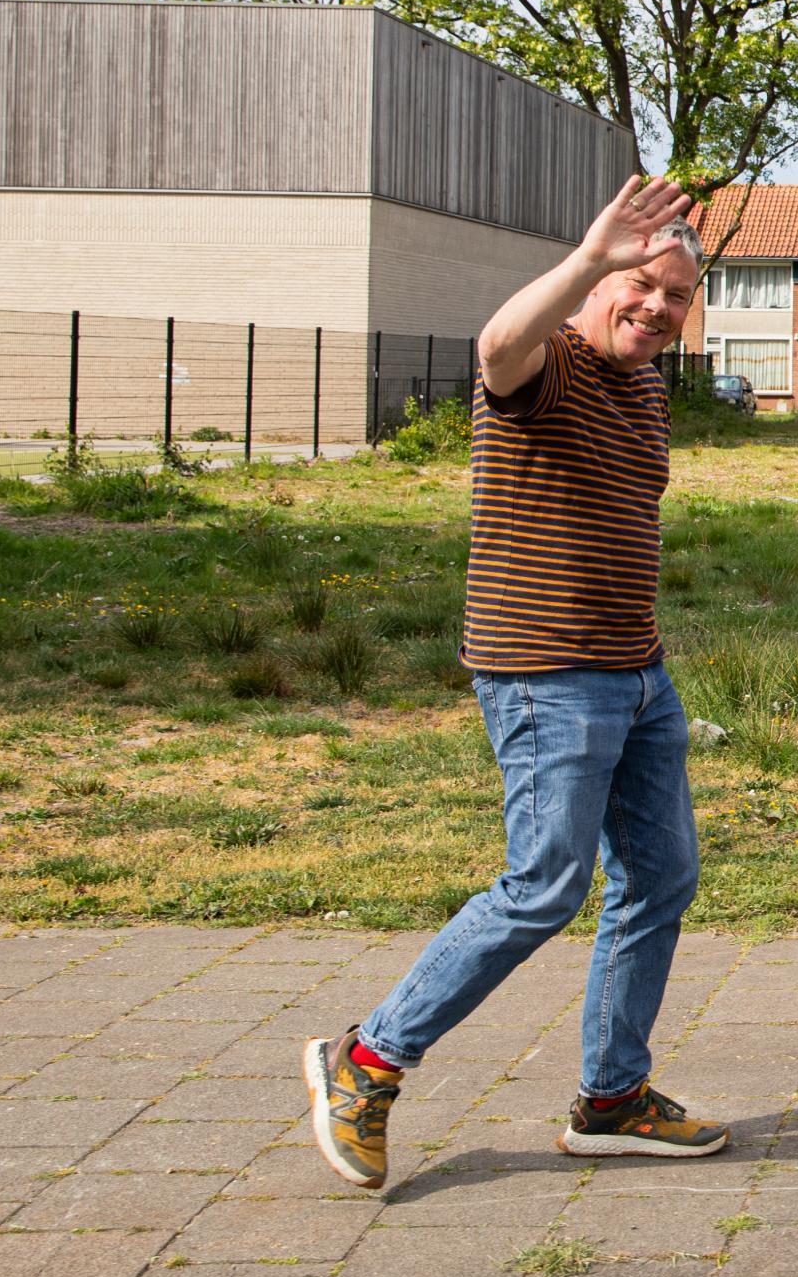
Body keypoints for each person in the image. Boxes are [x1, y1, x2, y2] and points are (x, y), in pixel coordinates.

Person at [305, 175, 728, 1190]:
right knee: (544, 886)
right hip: (546, 675)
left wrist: (643, 665)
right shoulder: (550, 365)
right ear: (597, 284)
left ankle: (612, 1097)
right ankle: (368, 1060)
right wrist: (588, 257)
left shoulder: (644, 387)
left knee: (661, 877)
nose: (656, 309)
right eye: (638, 286)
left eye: (676, 296)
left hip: (636, 673)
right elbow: (496, 346)